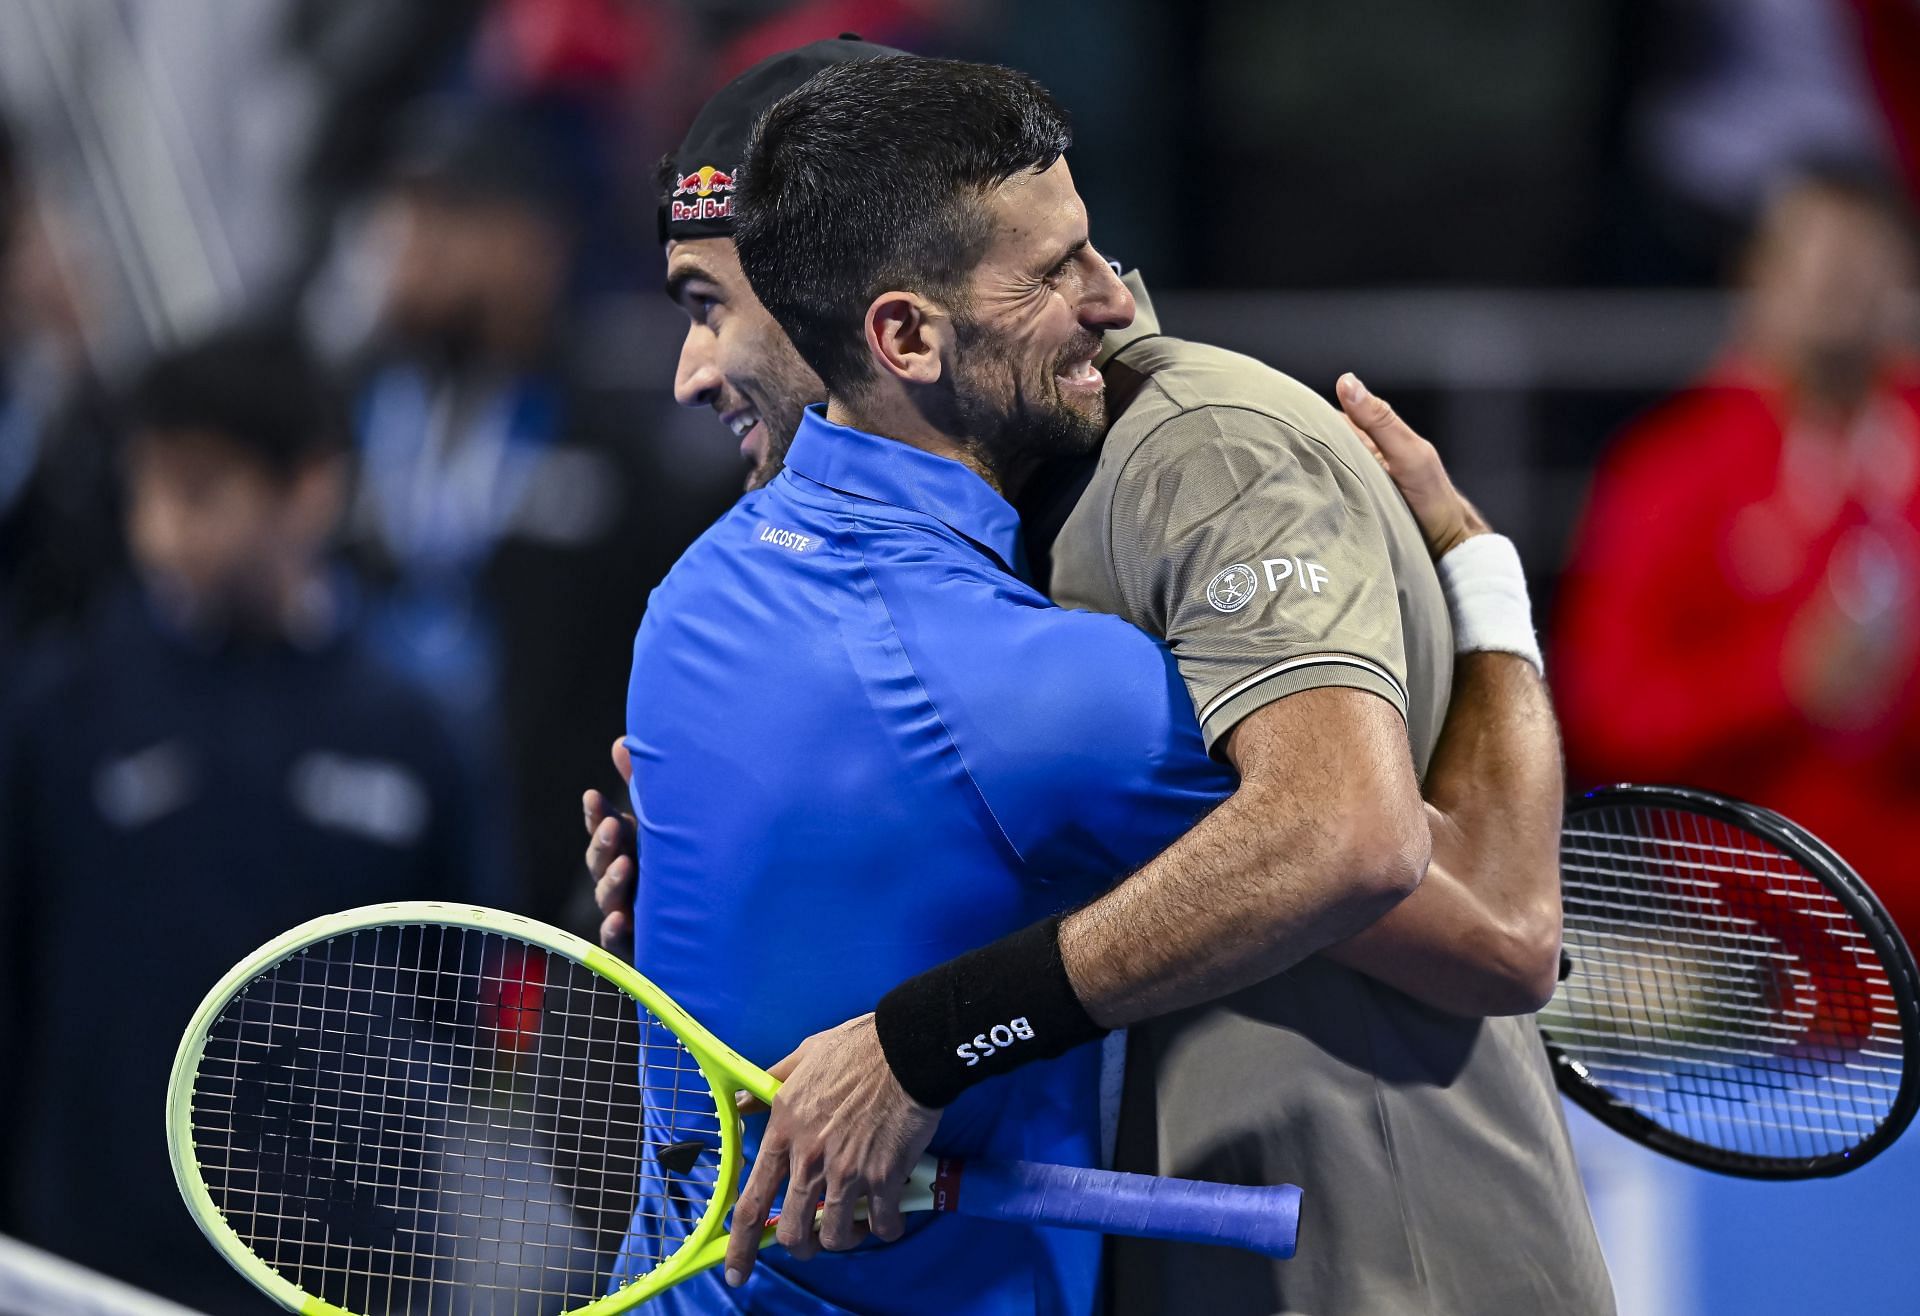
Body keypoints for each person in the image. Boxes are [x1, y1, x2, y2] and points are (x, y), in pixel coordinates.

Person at [587, 45, 1609, 1316]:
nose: (1116, 300)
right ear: (892, 327)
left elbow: (1410, 879)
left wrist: (901, 1020)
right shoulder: (1033, 668)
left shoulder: (691, 597)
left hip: (1388, 1262)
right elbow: (1462, 892)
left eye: (712, 305)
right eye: (704, 303)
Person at [0, 323, 499, 1315]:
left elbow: (464, 996)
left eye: (199, 490)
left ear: (310, 487)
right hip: (88, 1255)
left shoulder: (420, 728)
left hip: (348, 1263)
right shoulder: (61, 708)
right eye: (146, 490)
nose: (158, 530)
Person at [341, 99, 733, 923]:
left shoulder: (621, 435)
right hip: (363, 859)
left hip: (546, 890)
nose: (416, 251)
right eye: (407, 217)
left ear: (537, 242)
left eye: (452, 219)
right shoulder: (345, 415)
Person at [1556, 163, 1920, 946]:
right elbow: (1606, 715)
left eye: (1864, 261)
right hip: (1744, 947)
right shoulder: (1670, 470)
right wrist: (1781, 679)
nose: (1839, 288)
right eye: (1814, 260)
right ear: (1757, 278)